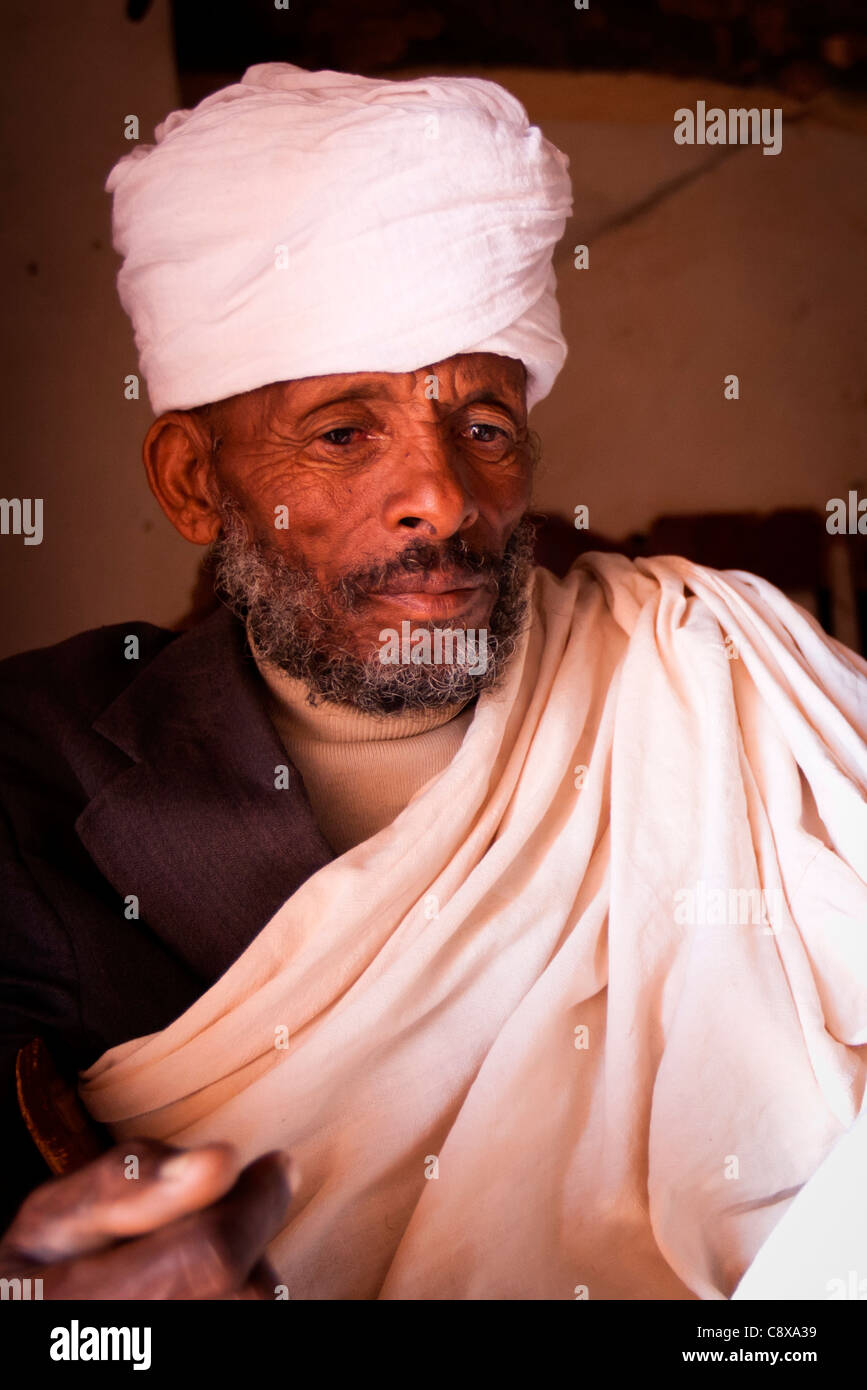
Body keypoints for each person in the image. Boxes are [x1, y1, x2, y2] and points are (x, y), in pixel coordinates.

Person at [1, 63, 865, 1302]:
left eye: (486, 424)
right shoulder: (29, 771)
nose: (447, 498)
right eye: (346, 432)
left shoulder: (717, 671)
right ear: (194, 478)